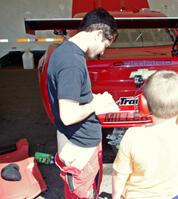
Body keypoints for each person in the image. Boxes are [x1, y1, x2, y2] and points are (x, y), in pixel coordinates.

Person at [47, 8, 119, 199]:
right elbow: (68, 115)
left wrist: (94, 98)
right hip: (81, 147)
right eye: (105, 44)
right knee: (81, 194)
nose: (103, 51)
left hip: (76, 142)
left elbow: (72, 96)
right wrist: (98, 104)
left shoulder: (66, 52)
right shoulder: (71, 62)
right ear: (98, 34)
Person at [112, 70, 178, 199]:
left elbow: (119, 174)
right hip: (176, 194)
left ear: (143, 104)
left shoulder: (134, 136)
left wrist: (116, 196)